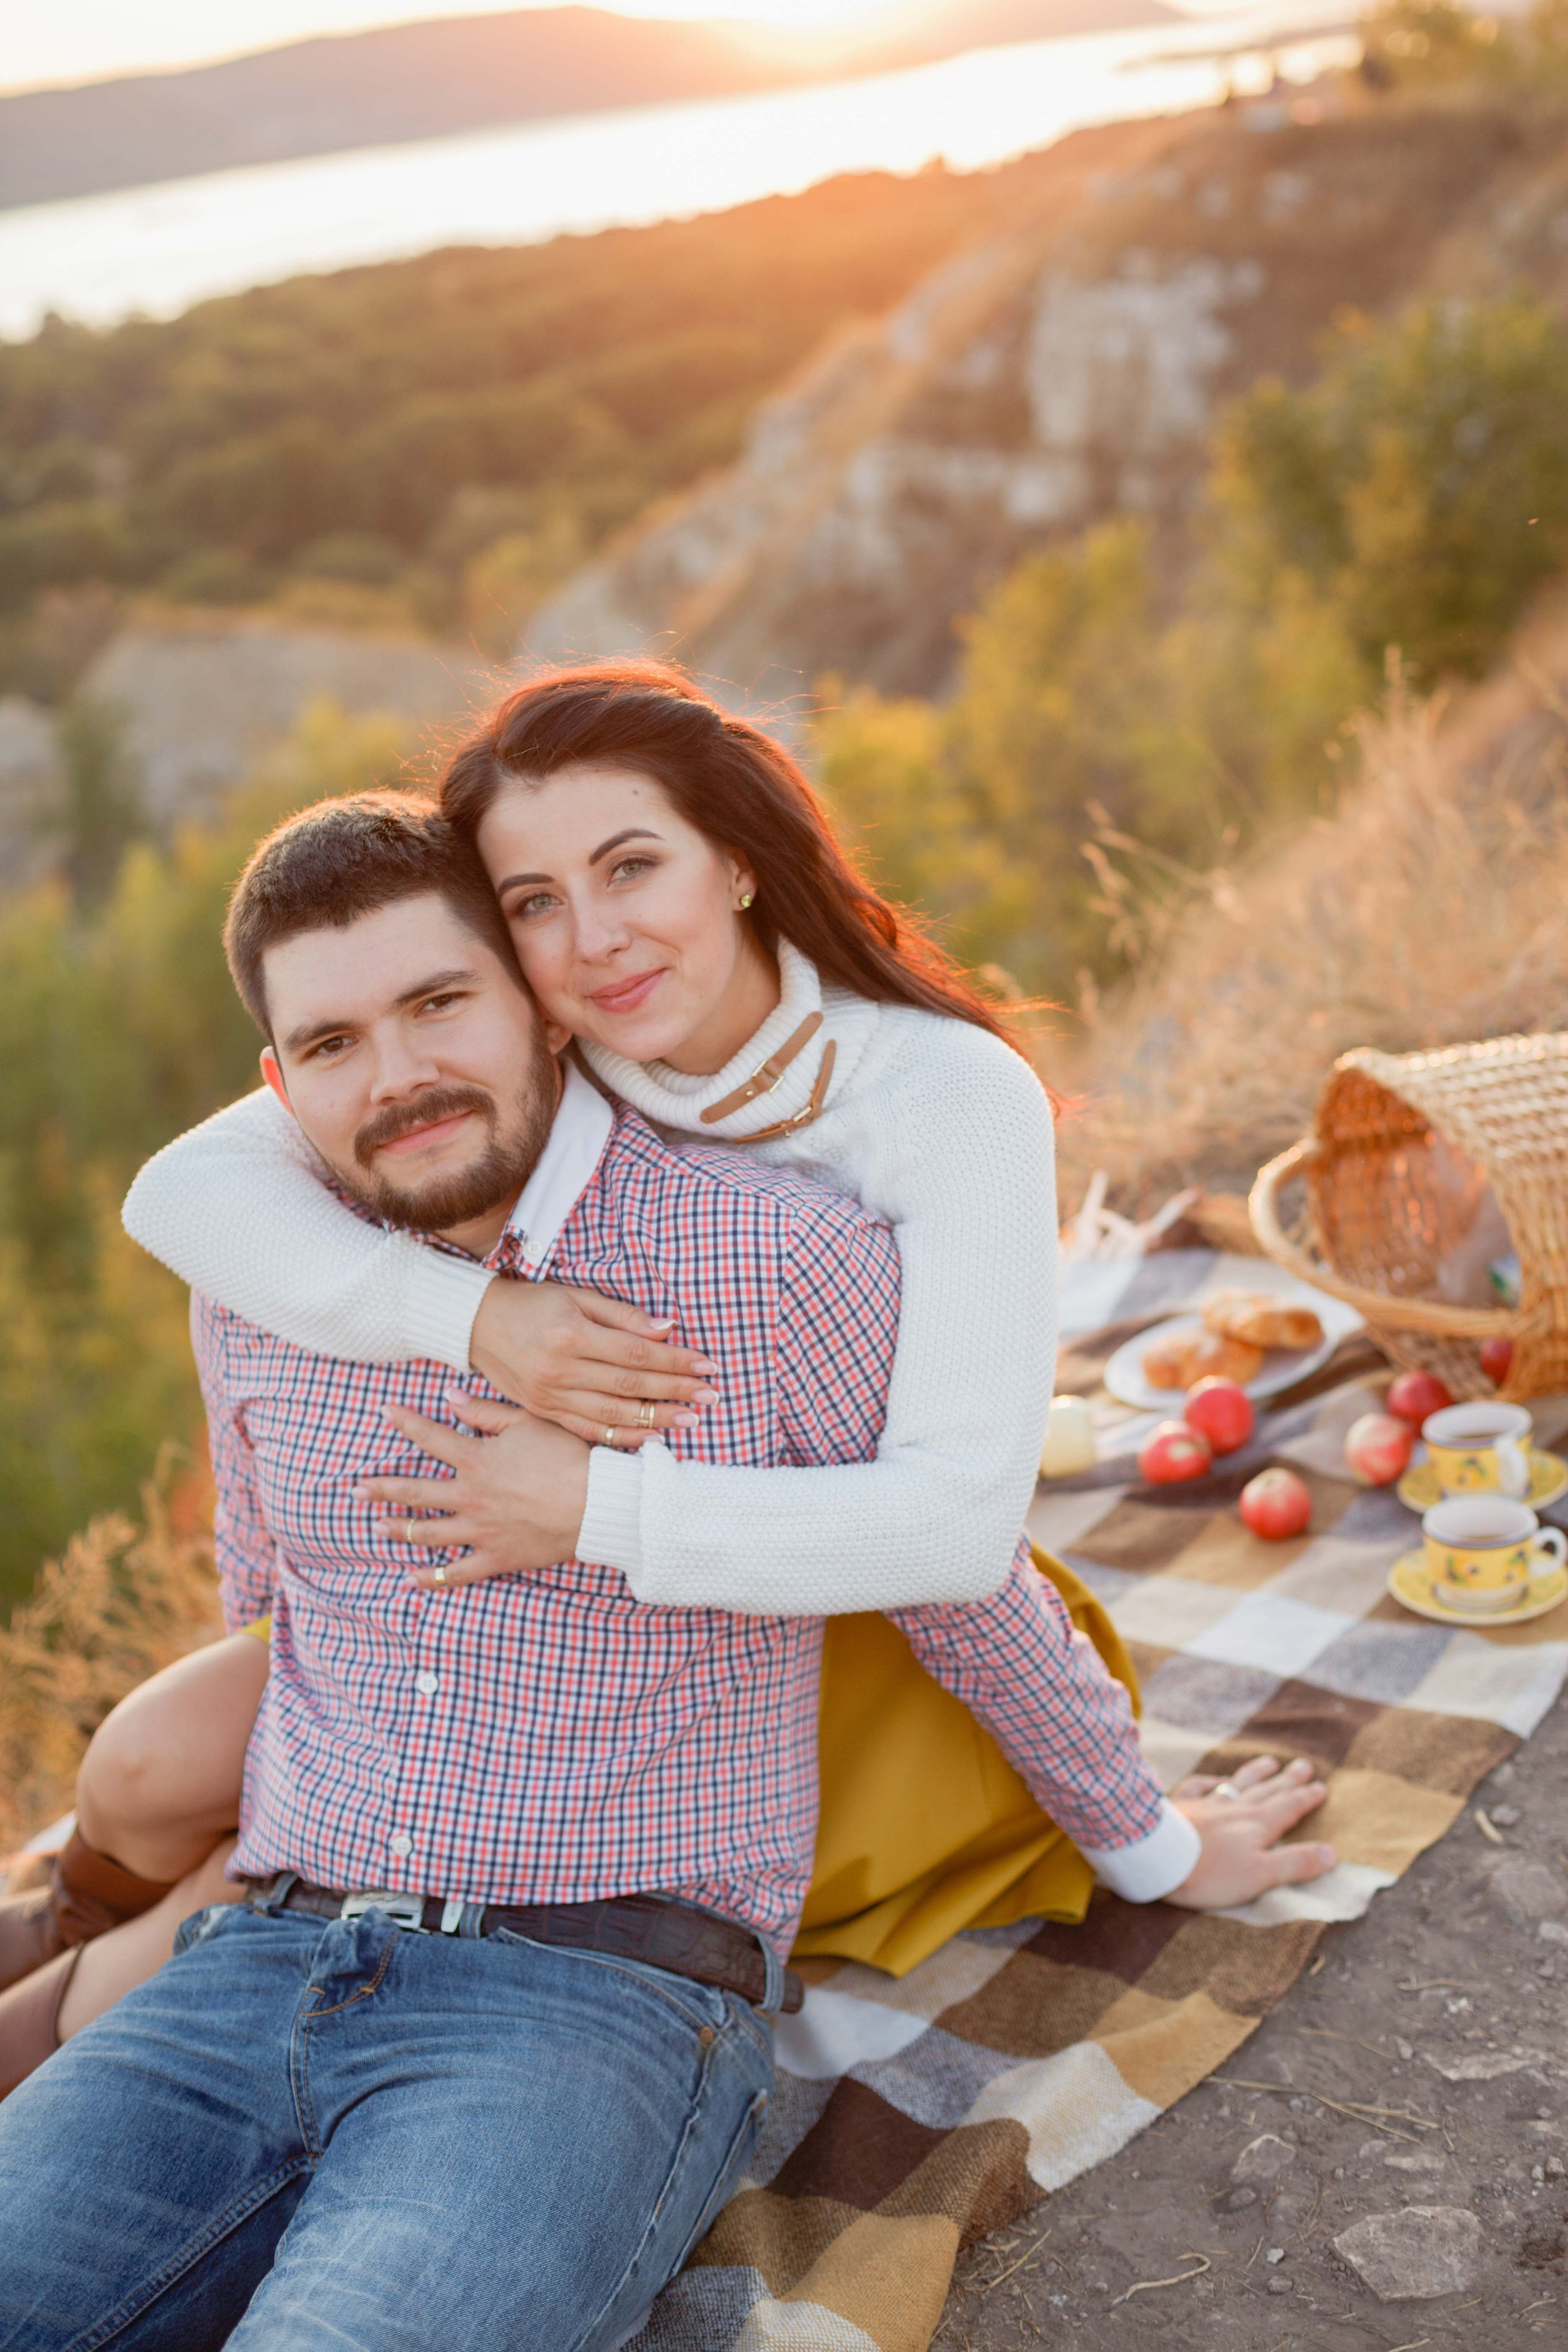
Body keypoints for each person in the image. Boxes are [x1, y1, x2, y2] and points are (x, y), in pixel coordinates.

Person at [0, 794, 1333, 2347]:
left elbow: (961, 1583)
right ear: (277, 1082)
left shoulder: (773, 1262)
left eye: (440, 1004)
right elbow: (273, 1607)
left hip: (587, 2004)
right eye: (334, 1042)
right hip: (260, 1955)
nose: (400, 1077)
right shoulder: (256, 1277)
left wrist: (1154, 1846)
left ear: (542, 1008)